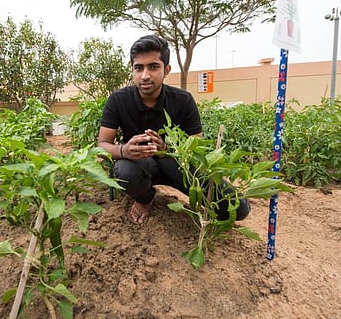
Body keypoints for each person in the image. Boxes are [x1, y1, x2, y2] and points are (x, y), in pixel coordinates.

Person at [98, 35, 250, 225]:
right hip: (139, 165)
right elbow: (102, 145)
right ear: (132, 70)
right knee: (125, 172)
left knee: (238, 207)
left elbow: (196, 147)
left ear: (166, 70)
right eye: (139, 68)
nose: (145, 75)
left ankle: (212, 210)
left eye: (153, 67)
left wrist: (166, 149)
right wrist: (124, 150)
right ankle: (145, 198)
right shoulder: (118, 100)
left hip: (178, 166)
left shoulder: (183, 100)